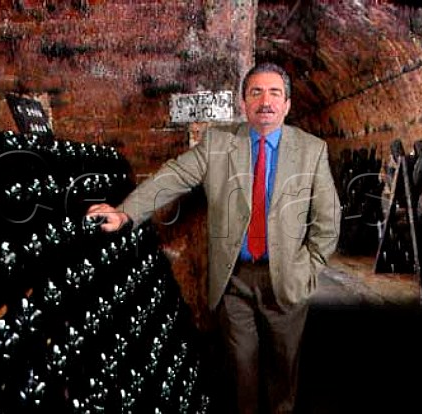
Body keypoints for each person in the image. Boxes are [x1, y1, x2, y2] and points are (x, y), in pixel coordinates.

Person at [86, 62, 340, 414]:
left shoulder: (311, 150)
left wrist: (308, 271)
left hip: (288, 280)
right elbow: (174, 176)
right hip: (234, 281)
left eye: (274, 93)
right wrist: (125, 211)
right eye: (256, 92)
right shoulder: (219, 144)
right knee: (242, 374)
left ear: (287, 104)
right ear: (243, 103)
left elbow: (328, 221)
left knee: (283, 377)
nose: (265, 101)